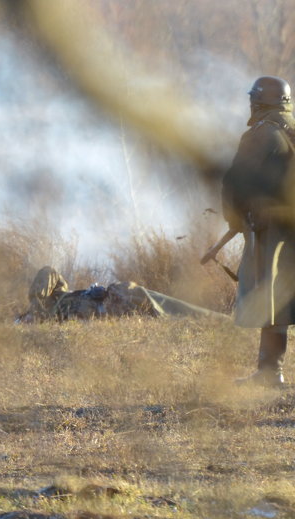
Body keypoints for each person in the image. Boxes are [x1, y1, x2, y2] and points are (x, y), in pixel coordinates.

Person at [222, 76, 295, 388]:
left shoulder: (261, 135)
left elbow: (234, 183)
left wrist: (235, 219)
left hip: (271, 230)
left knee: (272, 299)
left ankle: (269, 372)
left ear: (259, 101)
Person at [16, 266, 230, 324]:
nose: (25, 324)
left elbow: (48, 271)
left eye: (22, 320)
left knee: (171, 307)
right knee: (172, 315)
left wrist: (36, 308)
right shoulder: (54, 321)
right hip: (116, 314)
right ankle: (222, 321)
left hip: (115, 297)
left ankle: (224, 320)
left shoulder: (56, 298)